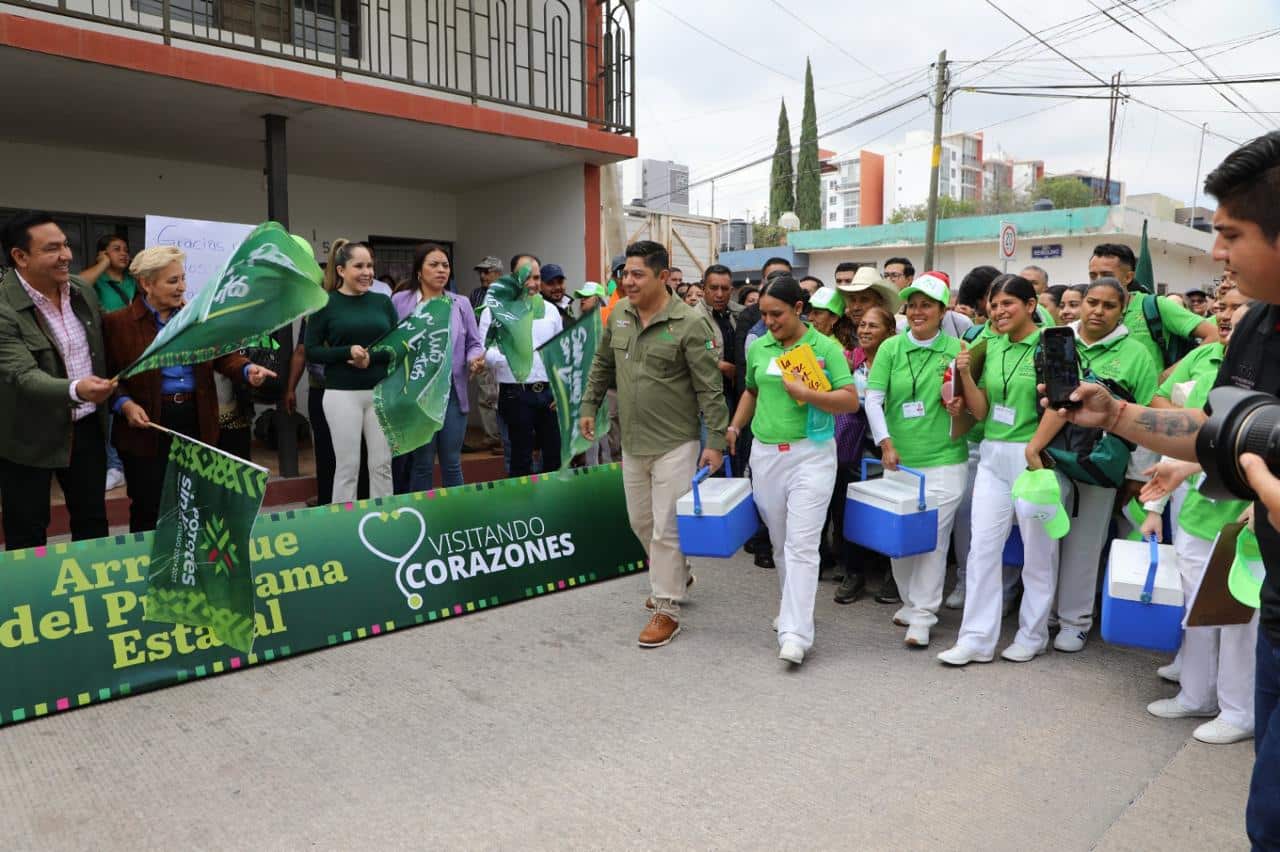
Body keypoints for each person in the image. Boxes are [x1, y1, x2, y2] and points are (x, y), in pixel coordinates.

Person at [1044, 131, 1280, 846]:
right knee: (1268, 814)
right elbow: (1215, 429)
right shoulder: (1260, 324)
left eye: (1231, 235)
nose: (1217, 254)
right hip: (1277, 608)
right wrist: (1117, 414)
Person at [580, 240, 726, 649]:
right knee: (641, 522)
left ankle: (666, 608)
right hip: (633, 441)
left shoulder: (689, 323)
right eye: (625, 273)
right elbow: (602, 364)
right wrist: (589, 405)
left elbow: (710, 387)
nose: (628, 281)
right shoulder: (619, 315)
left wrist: (715, 440)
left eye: (637, 274)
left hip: (676, 442)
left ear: (663, 277)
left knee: (666, 528)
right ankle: (678, 574)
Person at [1137, 298, 1255, 745]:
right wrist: (1157, 504)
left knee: (1236, 618)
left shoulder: (1267, 378)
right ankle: (1196, 694)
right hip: (1197, 510)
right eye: (1226, 316)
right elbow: (1195, 436)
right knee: (1196, 609)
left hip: (1241, 514)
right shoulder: (1209, 364)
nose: (1227, 324)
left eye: (1241, 322)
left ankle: (1239, 710)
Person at [727, 274, 859, 665]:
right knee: (781, 540)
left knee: (803, 543)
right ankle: (791, 611)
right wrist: (735, 426)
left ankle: (796, 633)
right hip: (766, 455)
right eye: (764, 314)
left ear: (799, 309)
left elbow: (850, 401)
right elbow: (751, 390)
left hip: (811, 454)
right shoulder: (759, 347)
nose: (769, 322)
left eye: (777, 314)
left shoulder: (825, 347)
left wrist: (808, 394)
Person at [103, 246, 275, 531]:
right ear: (146, 284)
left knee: (198, 503)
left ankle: (194, 558)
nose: (182, 287)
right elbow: (108, 377)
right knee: (149, 506)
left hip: (197, 418)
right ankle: (152, 558)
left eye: (183, 279)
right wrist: (126, 405)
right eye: (173, 281)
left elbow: (222, 355)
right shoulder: (117, 324)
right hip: (147, 425)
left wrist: (247, 369)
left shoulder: (196, 317)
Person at [1028, 277, 1158, 653]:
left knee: (1085, 544)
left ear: (1123, 310)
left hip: (1100, 466)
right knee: (1046, 540)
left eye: (1109, 305)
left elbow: (1145, 418)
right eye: (1092, 302)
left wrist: (1135, 477)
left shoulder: (1136, 354)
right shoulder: (1056, 341)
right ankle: (1044, 615)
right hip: (1051, 458)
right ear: (1081, 303)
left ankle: (1076, 622)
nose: (1098, 311)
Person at [938, 274, 1062, 666]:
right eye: (993, 305)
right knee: (982, 549)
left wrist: (1034, 447)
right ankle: (976, 639)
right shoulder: (990, 345)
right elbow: (983, 410)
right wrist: (966, 376)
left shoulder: (1051, 344)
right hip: (993, 454)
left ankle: (1033, 634)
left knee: (1038, 553)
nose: (998, 311)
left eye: (1008, 303)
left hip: (1034, 458)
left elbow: (1063, 404)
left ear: (1031, 305)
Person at [0, 211, 115, 549]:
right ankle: (29, 586)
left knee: (93, 522)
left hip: (86, 429)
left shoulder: (81, 291)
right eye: (52, 249)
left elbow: (110, 336)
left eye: (66, 245)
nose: (66, 255)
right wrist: (77, 389)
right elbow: (22, 376)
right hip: (27, 437)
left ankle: (92, 581)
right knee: (27, 532)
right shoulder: (4, 307)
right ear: (20, 256)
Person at [866, 275, 970, 647]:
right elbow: (873, 399)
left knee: (932, 539)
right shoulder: (891, 348)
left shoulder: (958, 349)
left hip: (945, 460)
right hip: (900, 462)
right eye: (912, 305)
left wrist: (960, 405)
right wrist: (885, 443)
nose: (917, 311)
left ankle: (924, 614)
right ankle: (910, 601)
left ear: (943, 311)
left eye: (927, 305)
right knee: (900, 537)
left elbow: (974, 401)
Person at [304, 239, 397, 502]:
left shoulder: (383, 302)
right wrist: (346, 352)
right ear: (341, 270)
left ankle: (385, 517)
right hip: (341, 394)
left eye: (370, 266)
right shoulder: (324, 303)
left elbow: (397, 346)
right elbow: (311, 350)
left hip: (381, 393)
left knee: (382, 466)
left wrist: (370, 358)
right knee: (347, 467)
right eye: (359, 266)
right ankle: (344, 521)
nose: (367, 272)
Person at [389, 243, 485, 492]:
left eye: (445, 265)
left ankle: (455, 511)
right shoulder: (400, 301)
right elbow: (390, 342)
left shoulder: (461, 303)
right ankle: (420, 513)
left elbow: (474, 343)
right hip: (416, 395)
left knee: (451, 462)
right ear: (419, 271)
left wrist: (474, 358)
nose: (441, 270)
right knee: (422, 463)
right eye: (434, 265)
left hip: (451, 393)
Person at [832, 305, 897, 605]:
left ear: (890, 332)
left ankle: (893, 575)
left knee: (890, 511)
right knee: (852, 510)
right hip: (856, 448)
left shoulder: (898, 362)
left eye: (873, 326)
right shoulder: (853, 362)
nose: (865, 330)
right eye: (863, 325)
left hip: (892, 450)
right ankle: (854, 573)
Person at [478, 254, 563, 477]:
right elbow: (485, 351)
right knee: (519, 460)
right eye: (527, 277)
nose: (533, 283)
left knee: (554, 457)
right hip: (515, 394)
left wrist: (561, 389)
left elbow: (560, 352)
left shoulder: (551, 310)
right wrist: (514, 358)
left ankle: (551, 498)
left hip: (549, 395)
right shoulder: (494, 310)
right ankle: (524, 501)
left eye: (536, 277)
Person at [1088, 243, 1219, 369]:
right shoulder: (1089, 310)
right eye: (1093, 276)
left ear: (1128, 277)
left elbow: (1214, 335)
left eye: (1107, 276)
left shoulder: (1155, 306)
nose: (1098, 281)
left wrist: (1173, 373)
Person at [78, 234, 139, 492]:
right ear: (102, 253)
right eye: (116, 249)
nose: (124, 253)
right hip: (107, 353)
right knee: (111, 405)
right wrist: (102, 264)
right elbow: (77, 285)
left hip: (136, 351)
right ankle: (114, 466)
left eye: (126, 249)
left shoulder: (134, 281)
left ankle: (126, 463)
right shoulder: (97, 281)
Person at [703, 264, 743, 415]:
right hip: (707, 398)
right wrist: (720, 364)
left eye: (725, 289)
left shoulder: (736, 314)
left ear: (731, 291)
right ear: (704, 289)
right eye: (714, 288)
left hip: (733, 392)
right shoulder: (692, 318)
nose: (719, 294)